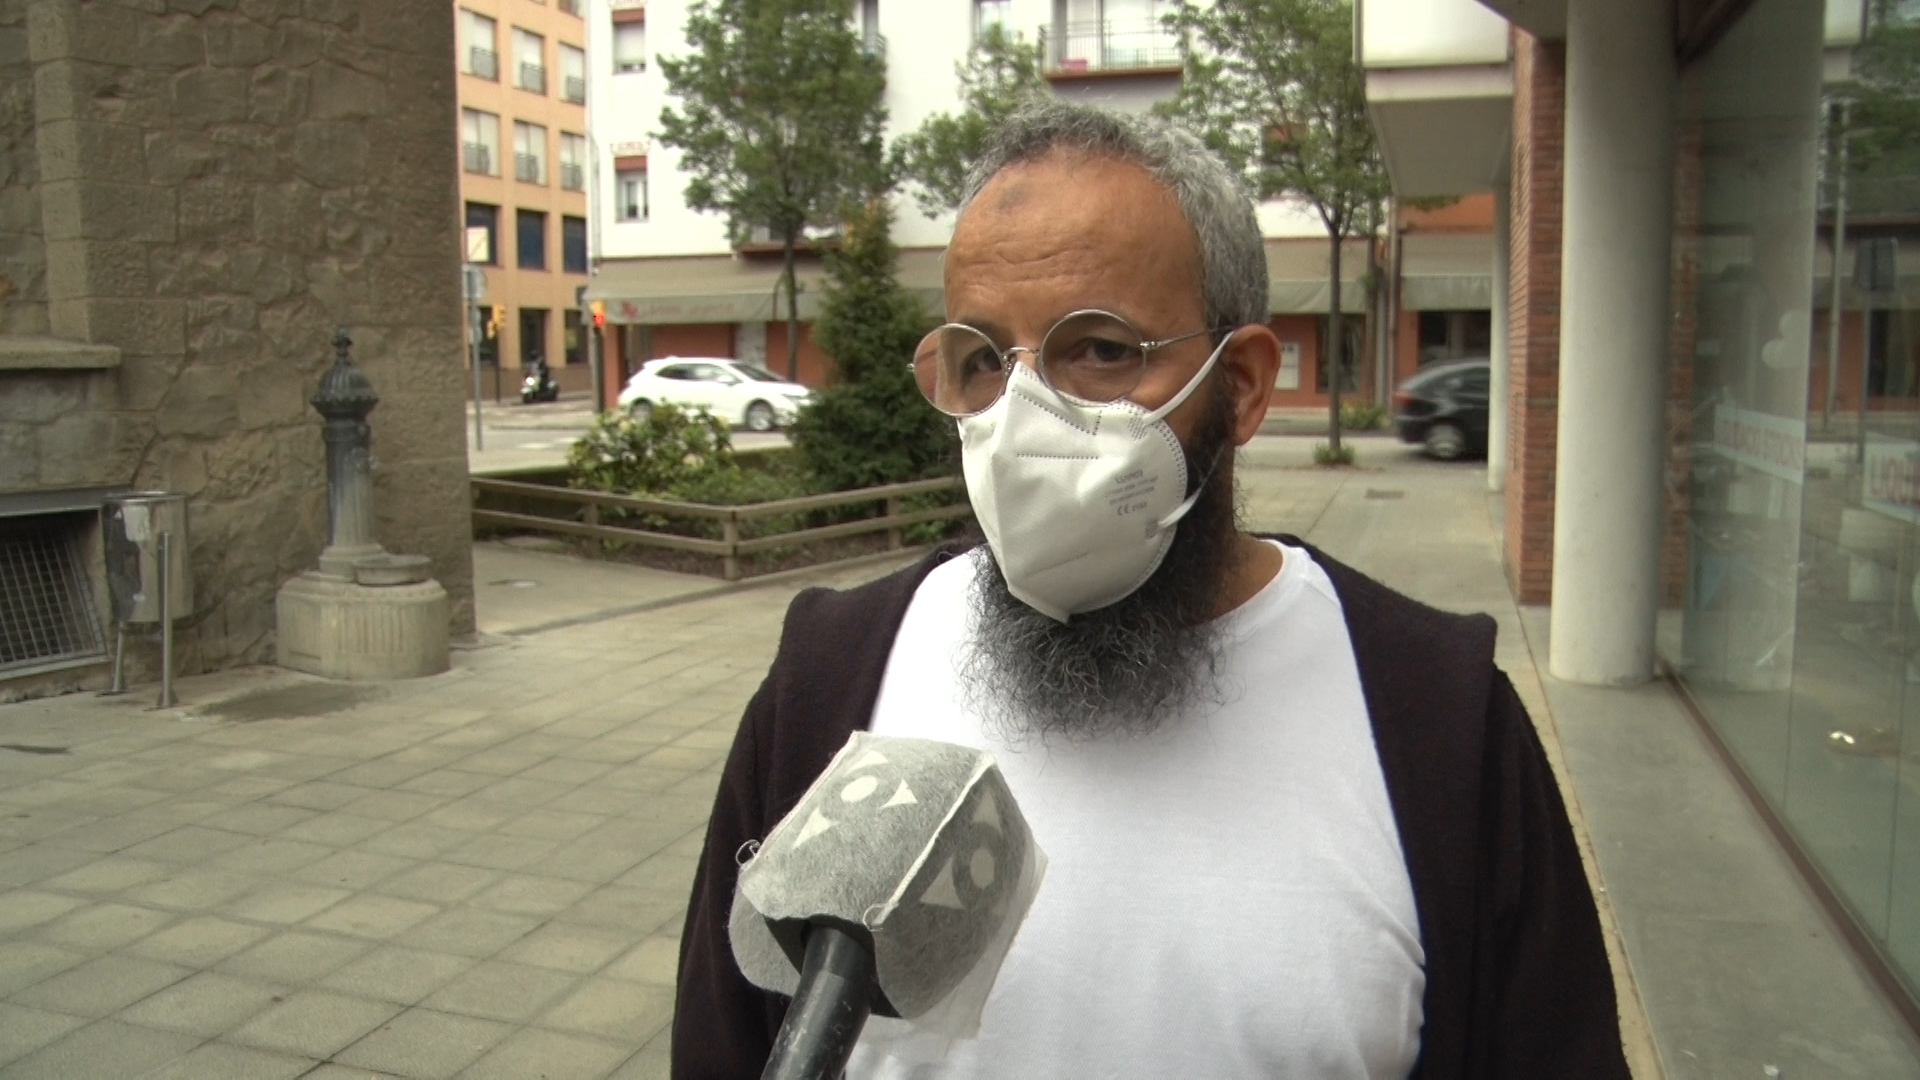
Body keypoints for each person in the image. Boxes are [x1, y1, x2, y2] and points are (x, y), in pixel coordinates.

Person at [673, 103, 1628, 1079]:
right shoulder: (830, 680)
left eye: (1100, 350)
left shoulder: (1440, 722)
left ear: (1243, 383)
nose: (1022, 418)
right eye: (984, 360)